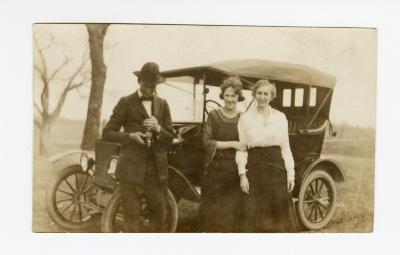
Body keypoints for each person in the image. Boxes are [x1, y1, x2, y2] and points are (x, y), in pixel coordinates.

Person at [102, 62, 174, 232]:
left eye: (153, 85)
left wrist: (158, 129)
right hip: (131, 170)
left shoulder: (163, 104)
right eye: (146, 84)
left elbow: (170, 138)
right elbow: (107, 133)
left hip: (156, 171)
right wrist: (130, 136)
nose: (150, 89)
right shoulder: (126, 102)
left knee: (159, 214)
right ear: (139, 81)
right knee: (132, 215)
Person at [236, 79, 298, 232]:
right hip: (255, 168)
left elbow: (285, 147)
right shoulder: (245, 119)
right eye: (259, 93)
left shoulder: (280, 117)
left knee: (279, 213)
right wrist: (242, 174)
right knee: (253, 212)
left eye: (266, 94)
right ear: (254, 95)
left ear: (272, 96)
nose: (262, 97)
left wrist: (290, 174)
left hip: (277, 168)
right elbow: (242, 148)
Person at [198, 76, 247, 232]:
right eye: (227, 95)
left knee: (230, 212)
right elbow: (206, 142)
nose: (230, 99)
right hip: (215, 170)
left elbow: (246, 144)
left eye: (233, 96)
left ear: (238, 97)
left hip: (234, 170)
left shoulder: (243, 118)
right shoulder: (214, 116)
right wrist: (232, 144)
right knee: (212, 212)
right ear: (222, 96)